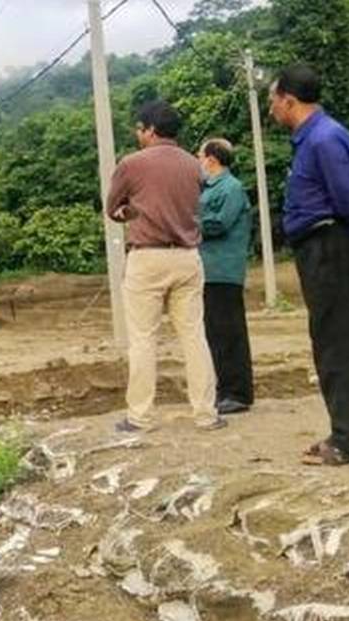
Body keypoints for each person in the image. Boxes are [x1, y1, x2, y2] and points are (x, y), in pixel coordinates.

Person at [269, 63, 349, 465]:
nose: (271, 108)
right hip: (328, 244)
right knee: (334, 339)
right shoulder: (325, 136)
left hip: (328, 245)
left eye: (273, 100)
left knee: (335, 342)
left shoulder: (324, 140)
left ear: (289, 101)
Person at [106, 100, 223, 433]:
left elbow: (112, 208)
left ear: (150, 130)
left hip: (148, 256)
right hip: (187, 256)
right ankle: (206, 414)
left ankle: (140, 416)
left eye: (139, 129)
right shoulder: (194, 165)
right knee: (194, 336)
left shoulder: (131, 164)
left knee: (143, 339)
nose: (137, 134)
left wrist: (131, 212)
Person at [197, 138, 255, 414]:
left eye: (200, 156)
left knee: (229, 332)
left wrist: (188, 222)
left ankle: (238, 393)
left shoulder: (231, 188)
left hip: (223, 270)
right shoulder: (208, 188)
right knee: (215, 333)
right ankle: (224, 389)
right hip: (208, 271)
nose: (198, 162)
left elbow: (219, 223)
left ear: (211, 158)